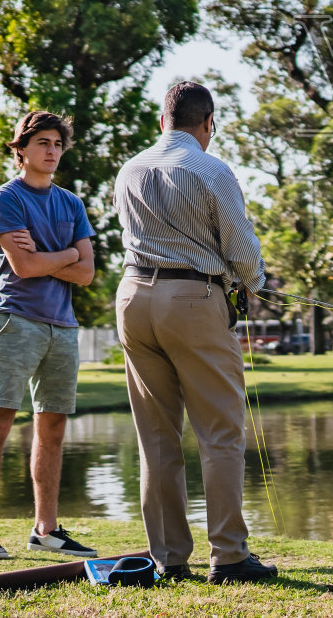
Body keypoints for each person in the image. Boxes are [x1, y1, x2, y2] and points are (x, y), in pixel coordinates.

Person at [114, 82, 277, 585]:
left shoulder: (129, 169)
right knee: (220, 431)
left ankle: (168, 557)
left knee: (157, 437)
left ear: (163, 120)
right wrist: (256, 283)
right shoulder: (212, 168)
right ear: (209, 123)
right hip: (193, 298)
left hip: (132, 296)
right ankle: (228, 556)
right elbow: (241, 248)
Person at [0, 110, 98, 562]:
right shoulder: (6, 198)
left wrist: (48, 257)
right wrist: (65, 257)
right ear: (21, 149)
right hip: (15, 320)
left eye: (58, 145)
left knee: (53, 427)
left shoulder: (72, 204)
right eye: (43, 143)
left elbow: (88, 273)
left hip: (62, 327)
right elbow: (24, 268)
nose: (52, 151)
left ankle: (46, 529)